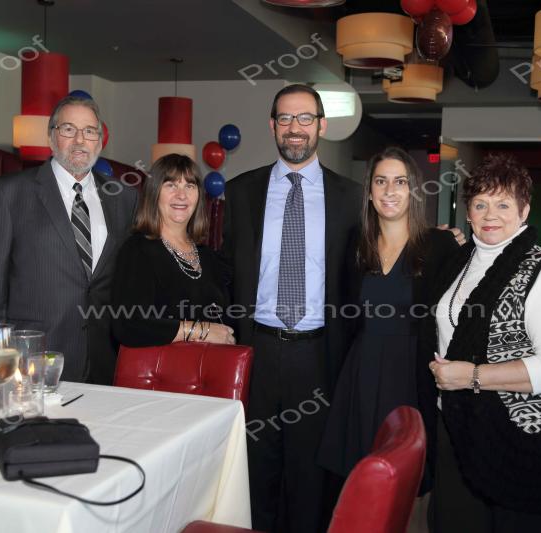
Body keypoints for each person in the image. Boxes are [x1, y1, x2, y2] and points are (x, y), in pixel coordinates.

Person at [220, 84, 363, 533]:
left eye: (304, 118)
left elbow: (376, 264)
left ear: (322, 125)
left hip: (320, 355)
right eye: (285, 118)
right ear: (272, 126)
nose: (294, 128)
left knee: (310, 479)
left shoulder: (352, 197)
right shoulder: (241, 192)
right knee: (255, 470)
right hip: (256, 351)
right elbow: (224, 272)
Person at [424, 153, 541, 533]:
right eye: (480, 204)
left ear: (524, 211)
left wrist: (472, 376)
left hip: (518, 438)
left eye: (503, 204)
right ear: (468, 212)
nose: (490, 214)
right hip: (457, 426)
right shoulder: (458, 262)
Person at [317, 147, 457, 532]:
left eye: (400, 182)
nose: (390, 190)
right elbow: (341, 314)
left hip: (412, 374)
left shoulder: (440, 246)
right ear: (369, 191)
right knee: (361, 481)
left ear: (414, 190)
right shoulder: (354, 244)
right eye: (381, 181)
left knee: (410, 484)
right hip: (360, 373)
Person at [0, 95, 137, 385]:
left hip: (104, 362)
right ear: (51, 137)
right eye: (68, 129)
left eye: (89, 131)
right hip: (31, 359)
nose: (80, 140)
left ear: (99, 141)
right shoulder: (10, 193)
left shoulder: (124, 198)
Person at [111, 154, 234, 347]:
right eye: (171, 185)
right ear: (154, 193)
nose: (181, 195)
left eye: (189, 186)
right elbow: (128, 324)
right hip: (163, 366)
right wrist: (200, 331)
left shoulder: (208, 256)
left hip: (210, 363)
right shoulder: (137, 250)